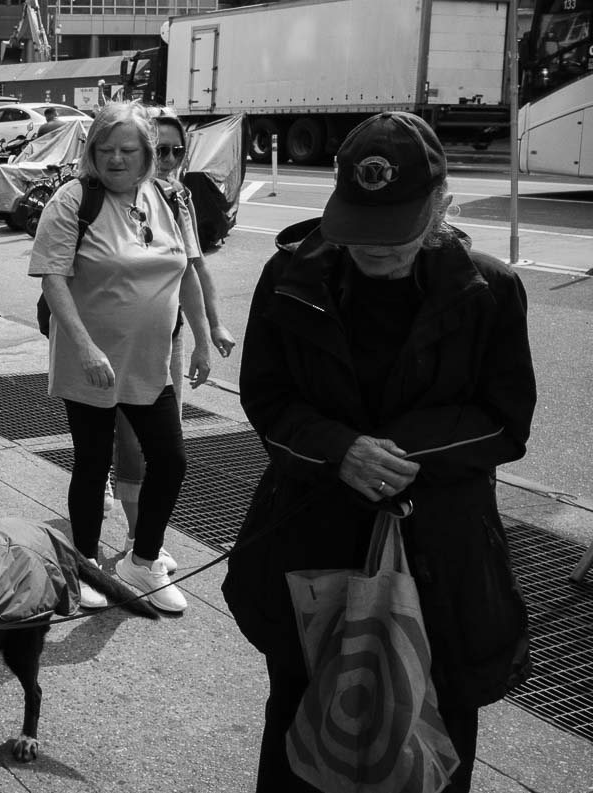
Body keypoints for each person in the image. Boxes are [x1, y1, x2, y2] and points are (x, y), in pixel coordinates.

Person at [222, 111, 536, 793]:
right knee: (300, 717)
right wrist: (339, 450)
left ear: (441, 206)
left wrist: (395, 452)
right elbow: (267, 400)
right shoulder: (291, 275)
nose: (378, 251)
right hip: (312, 538)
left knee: (437, 732)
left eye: (397, 235)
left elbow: (507, 422)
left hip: (440, 557)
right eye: (362, 233)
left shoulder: (490, 291)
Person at [27, 101, 213, 613]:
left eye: (126, 150)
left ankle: (143, 557)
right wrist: (84, 345)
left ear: (147, 153)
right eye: (103, 149)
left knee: (170, 461)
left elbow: (187, 271)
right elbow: (53, 277)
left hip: (151, 362)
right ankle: (84, 565)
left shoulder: (168, 198)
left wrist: (201, 336)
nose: (114, 159)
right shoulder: (73, 200)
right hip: (91, 362)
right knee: (91, 464)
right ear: (90, 153)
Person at [113, 109, 236, 562]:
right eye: (159, 150)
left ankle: (144, 535)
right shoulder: (117, 198)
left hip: (169, 337)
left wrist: (210, 331)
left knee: (166, 443)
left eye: (176, 151)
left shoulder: (180, 198)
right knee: (130, 440)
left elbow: (194, 267)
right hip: (122, 343)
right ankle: (135, 538)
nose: (167, 159)